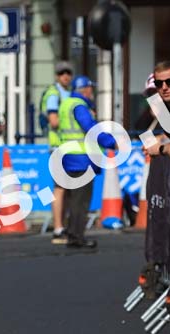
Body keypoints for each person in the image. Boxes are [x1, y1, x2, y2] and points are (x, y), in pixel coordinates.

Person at [57, 75, 118, 249]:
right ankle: (77, 236)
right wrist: (110, 142)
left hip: (68, 157)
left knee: (72, 198)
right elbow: (90, 127)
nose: (92, 92)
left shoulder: (66, 103)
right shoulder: (79, 106)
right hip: (81, 159)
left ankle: (71, 231)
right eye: (91, 88)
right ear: (86, 89)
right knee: (80, 200)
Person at [40, 61, 73, 244]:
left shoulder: (69, 93)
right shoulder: (54, 94)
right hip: (58, 148)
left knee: (67, 189)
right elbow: (54, 121)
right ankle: (58, 227)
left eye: (68, 73)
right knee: (60, 189)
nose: (65, 76)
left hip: (69, 147)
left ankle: (64, 225)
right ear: (57, 76)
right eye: (62, 73)